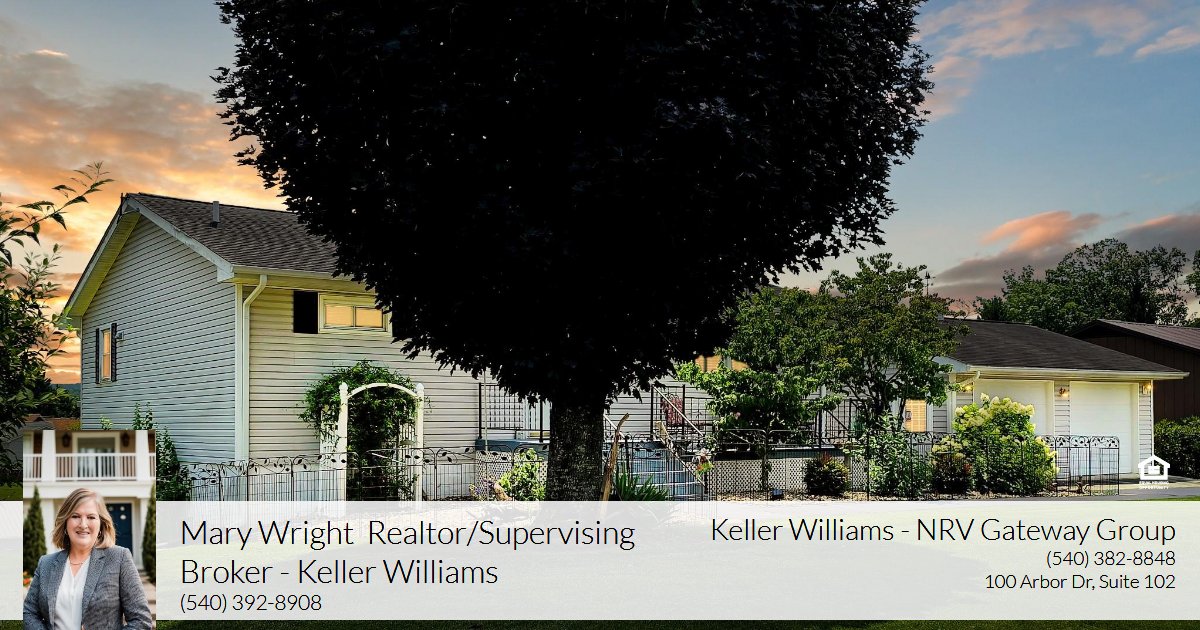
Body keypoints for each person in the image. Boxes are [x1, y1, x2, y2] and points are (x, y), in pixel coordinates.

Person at [23, 488, 153, 629]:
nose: (83, 524)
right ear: (65, 522)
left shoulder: (119, 558)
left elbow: (141, 620)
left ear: (101, 523)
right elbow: (29, 613)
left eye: (91, 517)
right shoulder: (46, 563)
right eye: (75, 516)